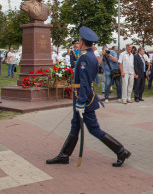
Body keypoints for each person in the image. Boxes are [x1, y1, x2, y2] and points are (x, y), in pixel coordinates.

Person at [46, 26, 131, 167]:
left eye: (79, 40)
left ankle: (121, 151)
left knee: (93, 129)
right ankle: (64, 155)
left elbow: (84, 82)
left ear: (82, 41)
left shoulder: (85, 57)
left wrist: (81, 102)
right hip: (83, 96)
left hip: (83, 97)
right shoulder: (90, 55)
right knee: (75, 126)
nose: (78, 42)